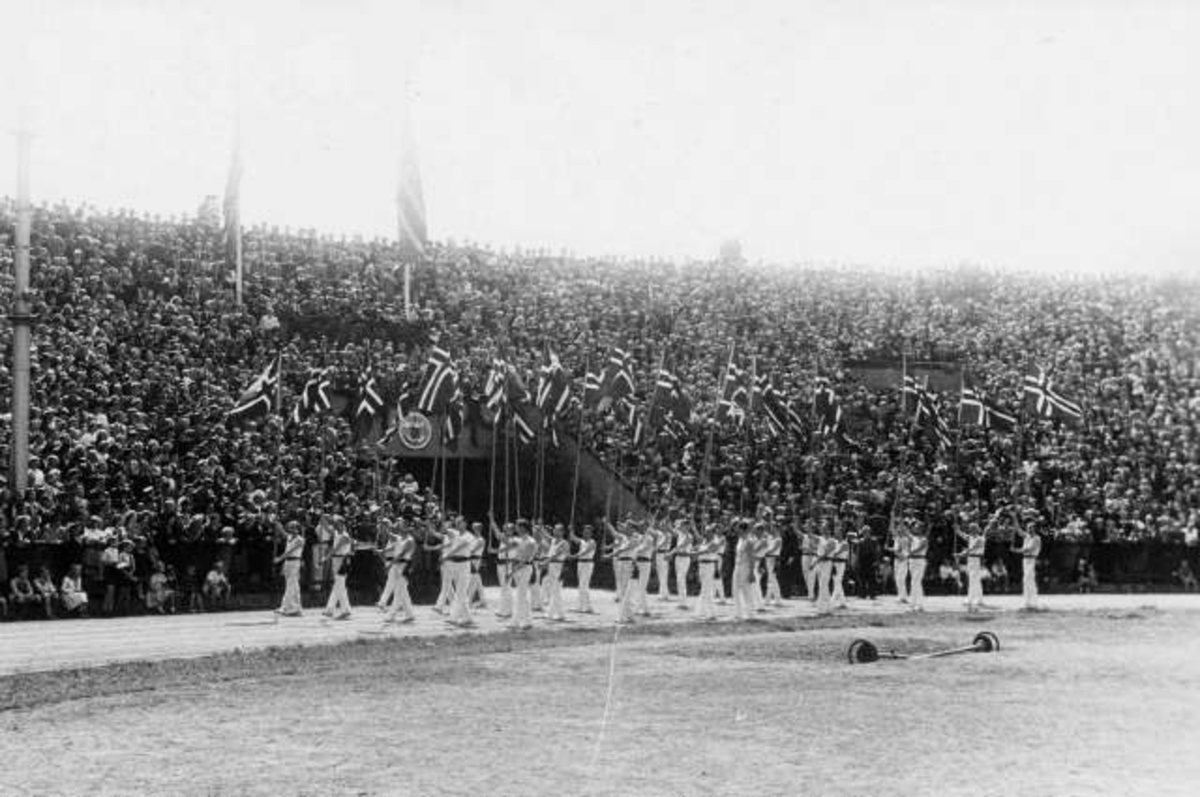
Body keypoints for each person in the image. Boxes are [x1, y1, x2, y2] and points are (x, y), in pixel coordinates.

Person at [382, 522, 416, 624]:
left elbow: (401, 554)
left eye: (402, 526)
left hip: (404, 566)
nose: (400, 528)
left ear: (407, 528)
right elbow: (390, 535)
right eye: (400, 527)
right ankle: (410, 615)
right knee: (402, 592)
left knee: (399, 591)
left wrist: (390, 564)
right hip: (397, 566)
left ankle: (391, 615)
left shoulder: (410, 540)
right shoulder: (399, 538)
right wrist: (384, 526)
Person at [323, 519, 354, 619]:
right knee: (338, 585)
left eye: (339, 524)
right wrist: (323, 519)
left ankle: (346, 610)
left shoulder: (345, 536)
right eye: (336, 524)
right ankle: (329, 609)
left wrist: (325, 558)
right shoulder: (337, 533)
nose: (337, 526)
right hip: (336, 560)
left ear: (343, 524)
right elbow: (327, 528)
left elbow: (335, 548)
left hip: (342, 560)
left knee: (340, 585)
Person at [274, 521, 305, 617]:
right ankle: (296, 608)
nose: (292, 529)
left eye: (294, 527)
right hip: (287, 563)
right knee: (294, 586)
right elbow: (282, 532)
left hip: (295, 562)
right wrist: (277, 524)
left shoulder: (300, 540)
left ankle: (285, 607)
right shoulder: (289, 537)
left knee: (291, 585)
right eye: (290, 527)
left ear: (298, 529)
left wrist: (279, 558)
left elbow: (289, 552)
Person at [508, 521, 536, 630]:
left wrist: (512, 572)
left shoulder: (530, 541)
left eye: (518, 527)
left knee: (521, 595)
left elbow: (525, 559)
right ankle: (526, 621)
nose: (516, 529)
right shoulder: (518, 540)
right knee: (521, 595)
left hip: (525, 568)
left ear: (523, 528)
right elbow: (506, 542)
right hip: (517, 567)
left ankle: (518, 621)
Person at [956, 521, 987, 612]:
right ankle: (980, 599)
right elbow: (962, 535)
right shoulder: (970, 537)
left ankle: (970, 599)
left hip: (976, 560)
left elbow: (972, 548)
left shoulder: (981, 539)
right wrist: (957, 529)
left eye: (973, 528)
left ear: (977, 529)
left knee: (973, 580)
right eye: (971, 528)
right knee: (975, 580)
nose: (972, 530)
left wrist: (961, 554)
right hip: (970, 560)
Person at [1012, 516, 1042, 610]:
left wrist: (1016, 550)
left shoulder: (1037, 538)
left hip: (1031, 560)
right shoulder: (1027, 536)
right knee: (1026, 580)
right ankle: (1028, 602)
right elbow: (1018, 530)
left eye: (1031, 528)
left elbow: (1029, 549)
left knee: (1029, 580)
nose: (1029, 529)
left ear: (1034, 529)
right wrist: (1014, 518)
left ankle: (1033, 602)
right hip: (1025, 560)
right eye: (1028, 528)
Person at [568, 524, 596, 613]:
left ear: (591, 533)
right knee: (581, 585)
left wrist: (574, 556)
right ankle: (582, 606)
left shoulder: (592, 542)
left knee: (584, 585)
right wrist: (571, 530)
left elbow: (585, 551)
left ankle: (586, 607)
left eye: (587, 532)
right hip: (580, 563)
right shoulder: (582, 541)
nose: (585, 533)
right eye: (584, 531)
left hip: (588, 563)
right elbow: (572, 538)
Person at [543, 524, 569, 621]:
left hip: (559, 566)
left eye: (557, 530)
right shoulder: (553, 540)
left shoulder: (564, 543)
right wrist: (540, 528)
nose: (554, 531)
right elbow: (546, 536)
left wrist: (546, 561)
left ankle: (552, 613)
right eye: (554, 529)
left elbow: (557, 555)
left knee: (556, 590)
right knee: (554, 590)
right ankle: (559, 614)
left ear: (562, 532)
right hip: (552, 566)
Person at [886, 520, 911, 604]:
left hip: (903, 559)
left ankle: (904, 597)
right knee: (897, 579)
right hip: (896, 560)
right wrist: (889, 548)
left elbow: (904, 550)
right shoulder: (897, 538)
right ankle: (901, 596)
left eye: (901, 530)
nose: (898, 531)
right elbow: (895, 549)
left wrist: (902, 556)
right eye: (898, 530)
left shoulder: (905, 539)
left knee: (901, 579)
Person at [907, 520, 929, 612]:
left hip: (920, 560)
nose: (915, 528)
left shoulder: (924, 539)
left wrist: (910, 552)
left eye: (918, 527)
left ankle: (916, 604)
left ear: (921, 529)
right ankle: (917, 604)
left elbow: (920, 548)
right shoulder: (913, 538)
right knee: (914, 582)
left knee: (916, 582)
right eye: (915, 527)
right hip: (912, 561)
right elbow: (904, 531)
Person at [799, 520, 818, 602]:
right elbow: (796, 531)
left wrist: (810, 548)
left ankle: (811, 595)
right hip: (804, 556)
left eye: (809, 527)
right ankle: (810, 592)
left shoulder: (816, 537)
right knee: (805, 574)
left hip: (812, 556)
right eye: (807, 527)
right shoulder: (804, 536)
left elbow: (816, 548)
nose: (807, 528)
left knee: (812, 575)